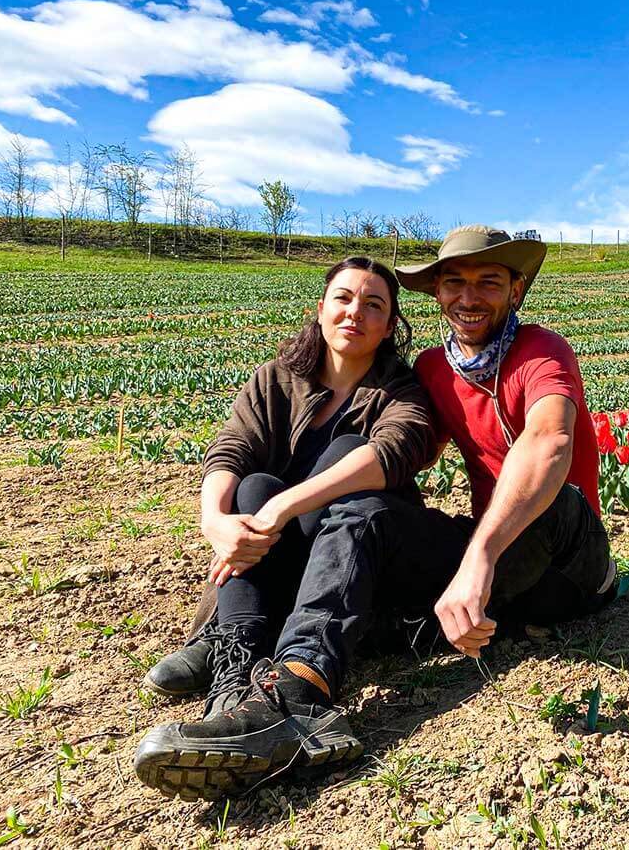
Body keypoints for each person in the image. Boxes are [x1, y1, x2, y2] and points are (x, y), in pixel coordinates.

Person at [133, 257, 438, 801]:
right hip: (273, 555)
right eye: (343, 298)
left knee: (341, 455)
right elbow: (231, 449)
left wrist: (282, 507)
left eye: (374, 305)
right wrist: (215, 521)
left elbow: (393, 452)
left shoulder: (400, 391)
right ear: (320, 309)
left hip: (351, 561)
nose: (355, 312)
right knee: (251, 486)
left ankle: (257, 657)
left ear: (391, 326)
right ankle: (236, 655)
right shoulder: (277, 380)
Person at [396, 224, 615, 659]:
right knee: (382, 516)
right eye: (455, 282)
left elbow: (548, 440)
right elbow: (410, 453)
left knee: (548, 498)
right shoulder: (433, 367)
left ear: (515, 292)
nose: (469, 299)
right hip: (498, 559)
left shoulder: (542, 350)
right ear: (437, 292)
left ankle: (410, 627)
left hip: (569, 562)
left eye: (488, 283)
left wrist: (479, 554)